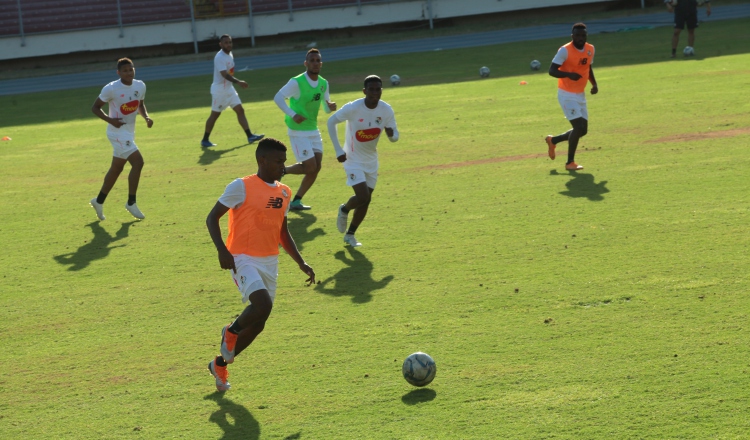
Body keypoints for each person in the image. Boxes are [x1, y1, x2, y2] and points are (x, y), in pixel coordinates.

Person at [205, 137, 316, 392]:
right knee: (261, 304)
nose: (283, 166)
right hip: (241, 257)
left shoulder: (285, 192)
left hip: (269, 261)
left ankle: (220, 364)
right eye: (278, 162)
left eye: (284, 162)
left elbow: (282, 233)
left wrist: (301, 261)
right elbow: (212, 218)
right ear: (262, 160)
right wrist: (222, 251)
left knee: (259, 322)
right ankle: (230, 331)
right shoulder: (241, 186)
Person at [327, 75, 399, 247]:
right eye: (371, 89)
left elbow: (395, 136)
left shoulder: (386, 110)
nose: (375, 92)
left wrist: (391, 135)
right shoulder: (353, 108)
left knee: (366, 200)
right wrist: (338, 149)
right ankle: (344, 209)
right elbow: (331, 121)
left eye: (378, 89)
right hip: (352, 159)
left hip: (371, 161)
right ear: (364, 91)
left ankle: (350, 235)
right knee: (363, 196)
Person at [89, 57, 153, 221]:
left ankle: (99, 201)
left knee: (116, 169)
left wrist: (146, 117)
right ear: (118, 73)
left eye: (131, 69)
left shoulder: (140, 85)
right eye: (125, 70)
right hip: (116, 133)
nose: (129, 73)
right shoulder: (111, 89)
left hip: (128, 132)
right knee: (138, 162)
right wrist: (111, 121)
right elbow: (95, 108)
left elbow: (140, 104)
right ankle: (131, 202)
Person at [274, 48, 336, 211]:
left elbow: (326, 107)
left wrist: (330, 107)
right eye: (312, 60)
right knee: (309, 167)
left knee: (317, 167)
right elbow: (278, 97)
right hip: (298, 130)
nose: (315, 63)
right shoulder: (297, 82)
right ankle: (281, 171)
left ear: (321, 64)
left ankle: (296, 201)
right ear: (306, 63)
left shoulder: (324, 83)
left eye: (317, 61)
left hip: (313, 130)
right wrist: (292, 114)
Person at [545, 23, 598, 171]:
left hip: (580, 94)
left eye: (583, 35)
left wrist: (594, 84)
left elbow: (588, 67)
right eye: (577, 35)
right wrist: (569, 75)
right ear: (572, 36)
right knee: (578, 127)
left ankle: (553, 140)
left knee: (583, 130)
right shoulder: (565, 51)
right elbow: (552, 71)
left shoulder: (590, 49)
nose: (580, 38)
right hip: (566, 94)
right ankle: (570, 163)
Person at [201, 34, 264, 148]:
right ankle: (205, 139)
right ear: (220, 44)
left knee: (240, 110)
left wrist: (234, 84)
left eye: (230, 42)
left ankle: (250, 136)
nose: (228, 44)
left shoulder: (229, 54)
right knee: (215, 115)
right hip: (220, 91)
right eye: (226, 42)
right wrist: (238, 82)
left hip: (229, 89)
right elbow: (224, 75)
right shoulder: (219, 57)